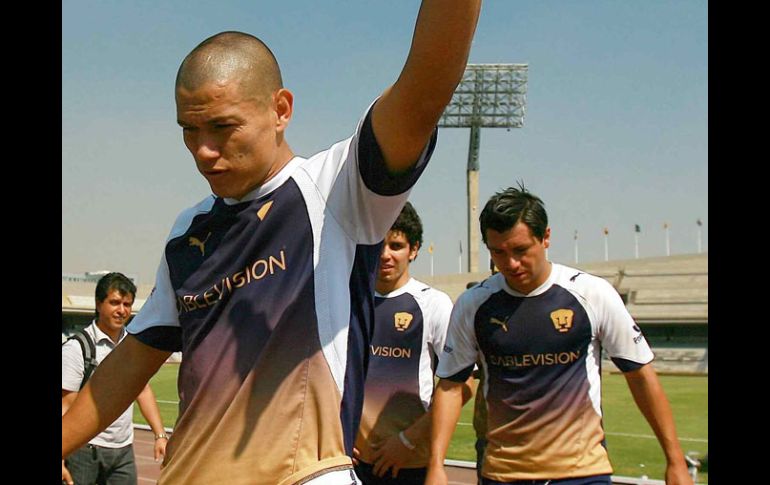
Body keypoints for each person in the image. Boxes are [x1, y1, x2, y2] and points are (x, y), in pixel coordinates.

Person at [62, 3, 482, 484]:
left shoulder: (338, 189)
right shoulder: (187, 231)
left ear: (280, 109)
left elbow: (424, 89)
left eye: (222, 127)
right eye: (189, 130)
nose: (202, 150)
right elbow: (132, 360)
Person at [426, 185, 694, 485]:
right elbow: (450, 385)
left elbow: (641, 375)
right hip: (503, 474)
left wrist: (675, 461)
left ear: (546, 238)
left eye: (520, 250)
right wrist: (436, 465)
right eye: (498, 252)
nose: (511, 263)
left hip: (581, 473)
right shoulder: (473, 304)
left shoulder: (591, 294)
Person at [352, 202, 469, 484]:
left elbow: (463, 386)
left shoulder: (433, 304)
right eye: (378, 244)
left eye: (396, 245)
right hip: (351, 462)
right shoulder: (349, 300)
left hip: (407, 463)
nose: (385, 255)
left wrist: (406, 441)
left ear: (414, 249)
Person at [62, 272, 168, 485]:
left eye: (127, 304)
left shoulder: (132, 347)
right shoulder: (77, 348)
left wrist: (159, 434)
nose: (122, 310)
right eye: (115, 303)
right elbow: (65, 405)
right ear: (99, 304)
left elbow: (142, 389)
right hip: (84, 451)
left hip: (122, 451)